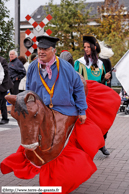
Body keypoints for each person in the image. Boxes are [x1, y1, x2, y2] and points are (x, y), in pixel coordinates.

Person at [0, 36, 121, 194]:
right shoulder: (32, 67)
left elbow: (78, 87)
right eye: (39, 50)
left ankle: (59, 172)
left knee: (57, 142)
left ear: (53, 51)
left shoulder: (64, 66)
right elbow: (29, 88)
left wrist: (82, 111)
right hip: (42, 108)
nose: (41, 52)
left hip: (65, 109)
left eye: (45, 50)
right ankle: (32, 158)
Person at [74, 35, 111, 155]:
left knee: (101, 122)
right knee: (85, 123)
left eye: (88, 47)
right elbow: (75, 80)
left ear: (94, 47)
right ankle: (85, 146)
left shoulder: (100, 63)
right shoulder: (79, 63)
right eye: (84, 47)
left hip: (98, 98)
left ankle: (102, 144)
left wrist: (105, 78)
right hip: (85, 98)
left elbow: (102, 82)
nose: (86, 49)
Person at [0, 56, 13, 124]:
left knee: (2, 102)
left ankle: (5, 118)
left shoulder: (2, 60)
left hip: (3, 85)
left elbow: (5, 72)